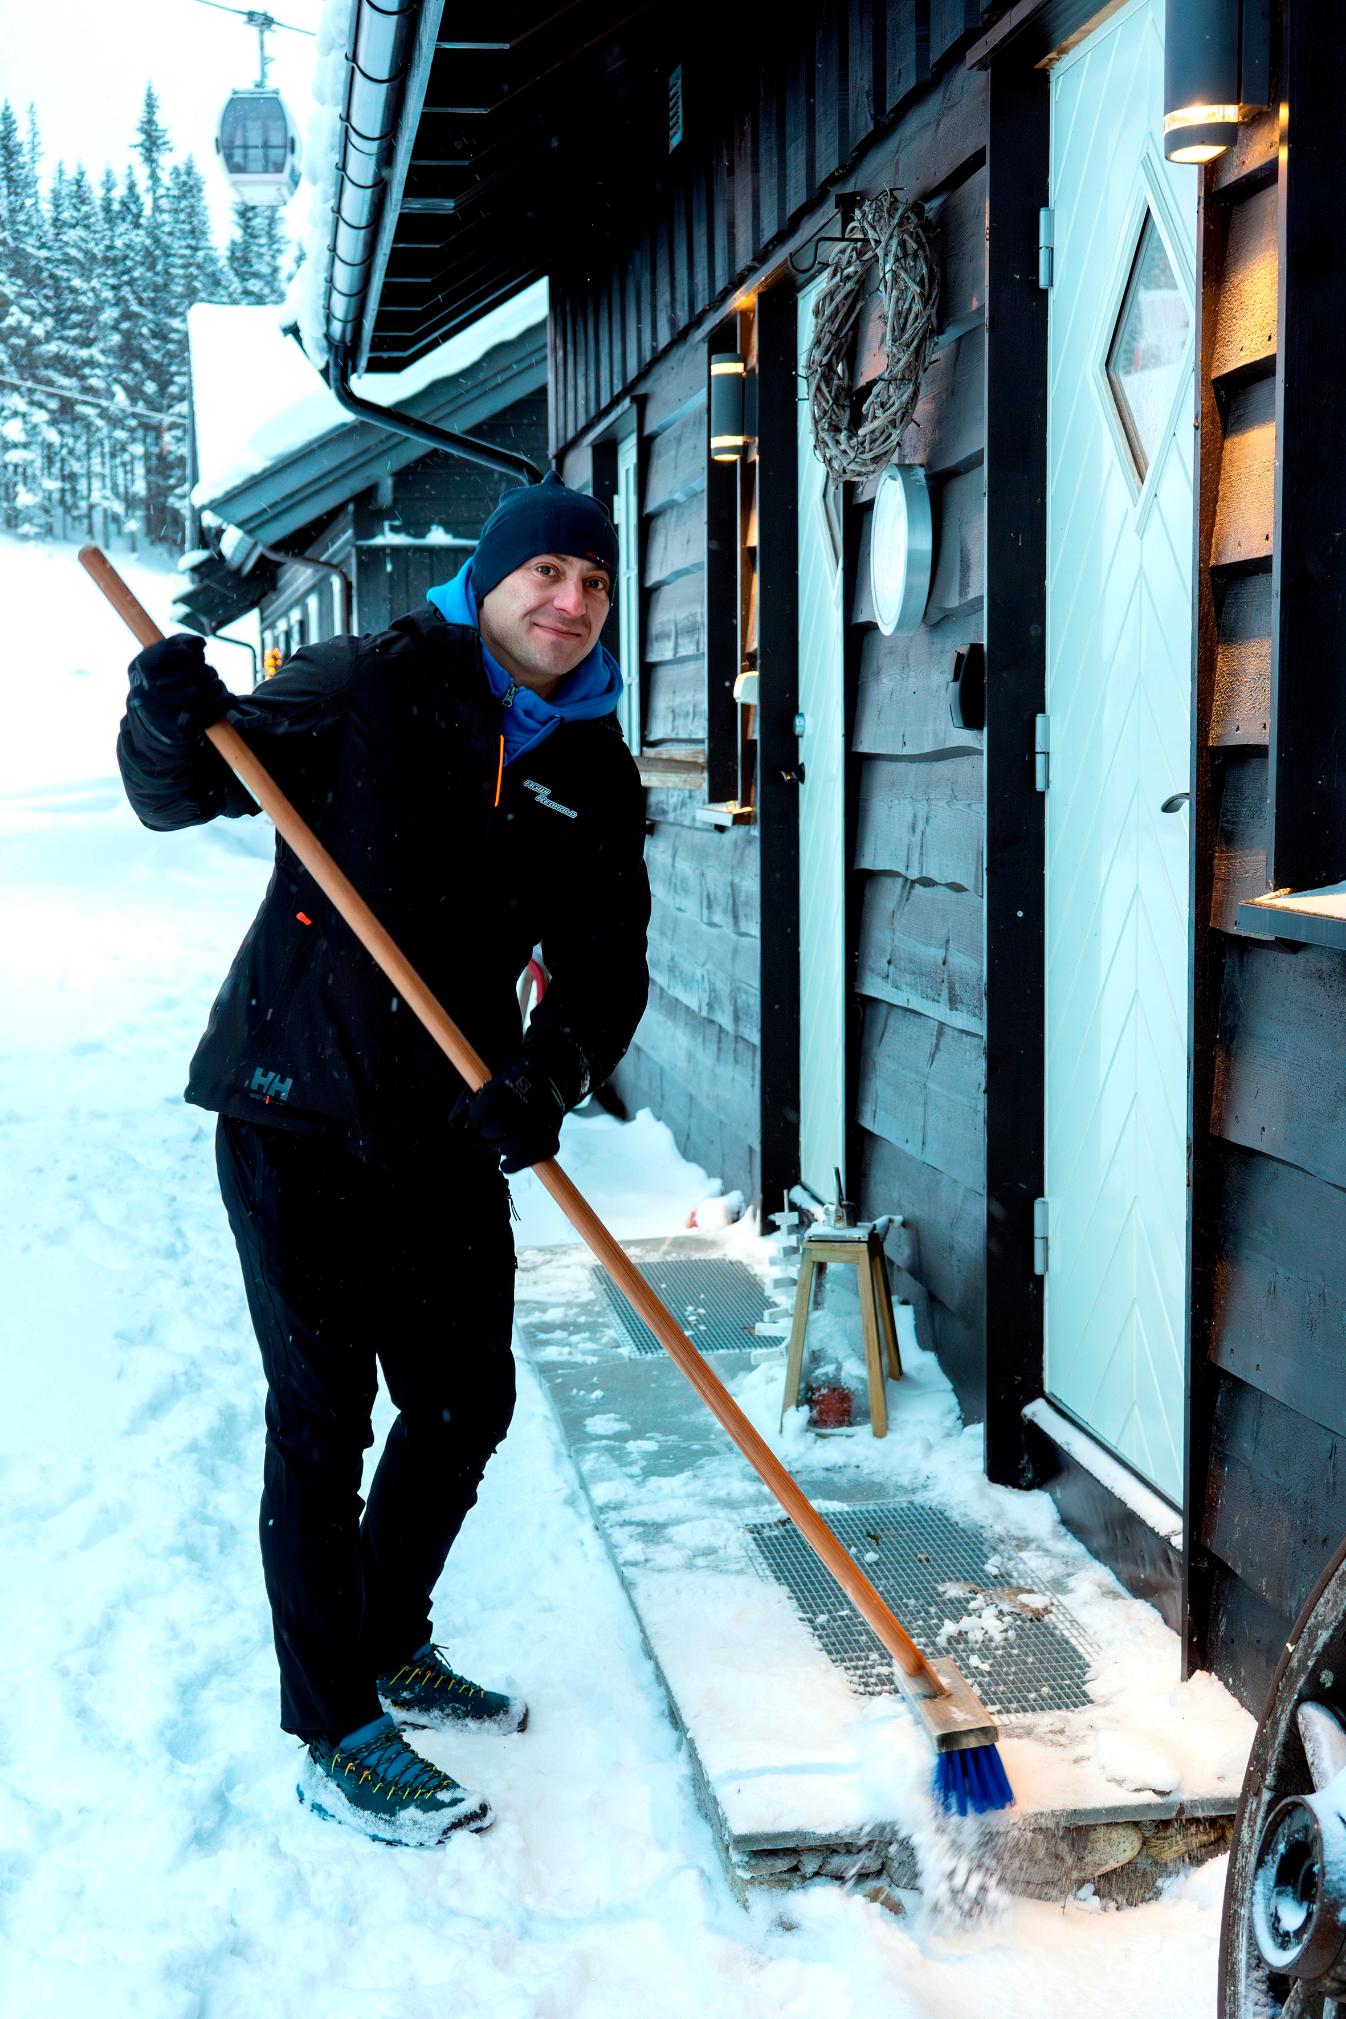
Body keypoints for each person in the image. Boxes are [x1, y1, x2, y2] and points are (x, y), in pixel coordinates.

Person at [117, 472, 650, 1848]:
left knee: (465, 1400)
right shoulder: (368, 680)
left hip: (445, 1129)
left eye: (592, 583)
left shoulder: (587, 765)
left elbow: (605, 965)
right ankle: (334, 1726)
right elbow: (186, 792)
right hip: (295, 1109)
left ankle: (389, 1635)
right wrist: (163, 720)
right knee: (323, 1418)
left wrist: (550, 1073)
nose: (570, 602)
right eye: (547, 574)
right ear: (491, 579)